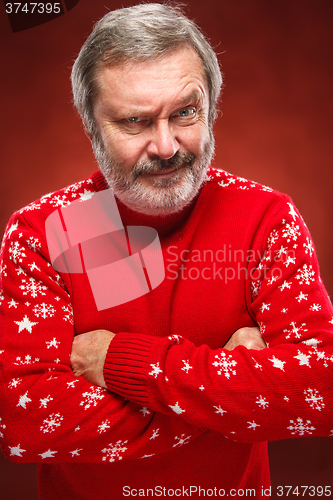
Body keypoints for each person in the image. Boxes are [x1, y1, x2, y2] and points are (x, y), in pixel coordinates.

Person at [0, 3, 333, 499]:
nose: (165, 145)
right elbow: (24, 421)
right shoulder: (42, 232)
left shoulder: (267, 219)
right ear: (92, 128)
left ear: (212, 106)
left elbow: (320, 392)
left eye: (184, 112)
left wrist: (116, 361)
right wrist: (229, 400)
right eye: (134, 121)